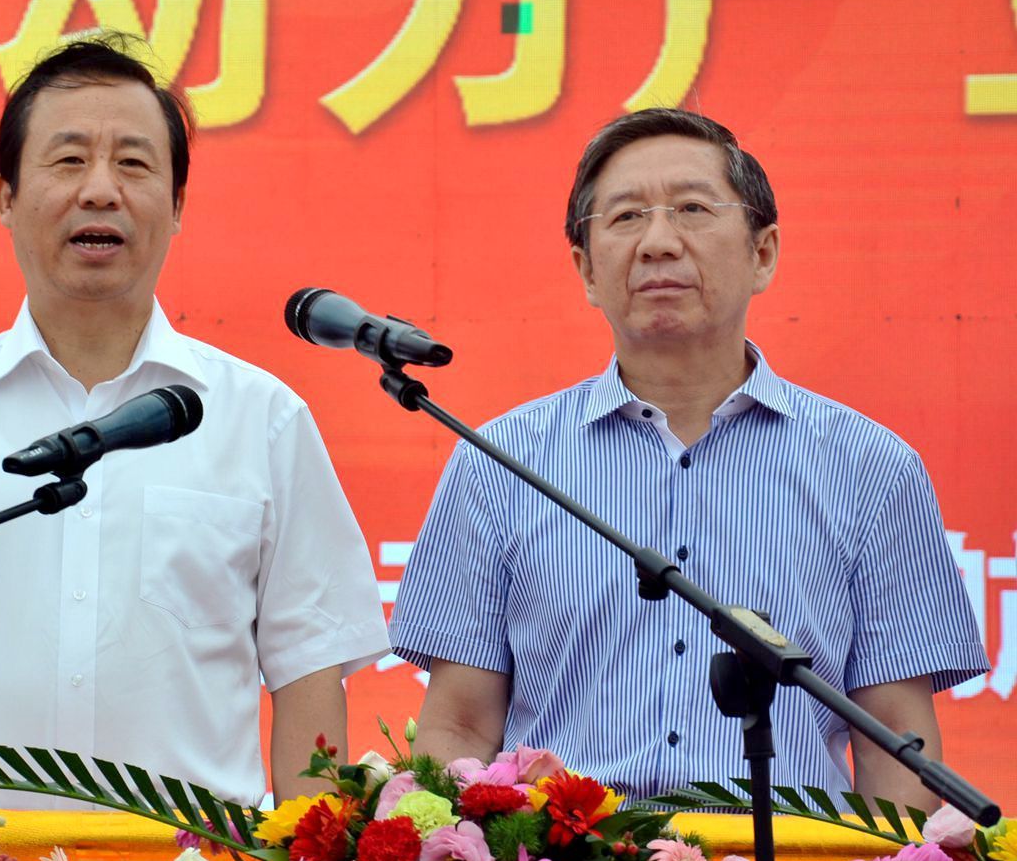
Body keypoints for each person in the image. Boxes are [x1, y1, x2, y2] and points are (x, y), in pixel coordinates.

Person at [0, 35, 386, 808]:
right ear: (5, 195)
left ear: (176, 207)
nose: (101, 190)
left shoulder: (263, 420)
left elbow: (309, 674)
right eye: (69, 160)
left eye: (134, 164)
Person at [391, 108, 986, 807]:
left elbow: (893, 732)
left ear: (763, 252)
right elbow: (460, 724)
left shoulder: (868, 468)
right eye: (625, 218)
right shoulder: (500, 464)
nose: (658, 242)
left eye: (693, 209)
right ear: (585, 269)